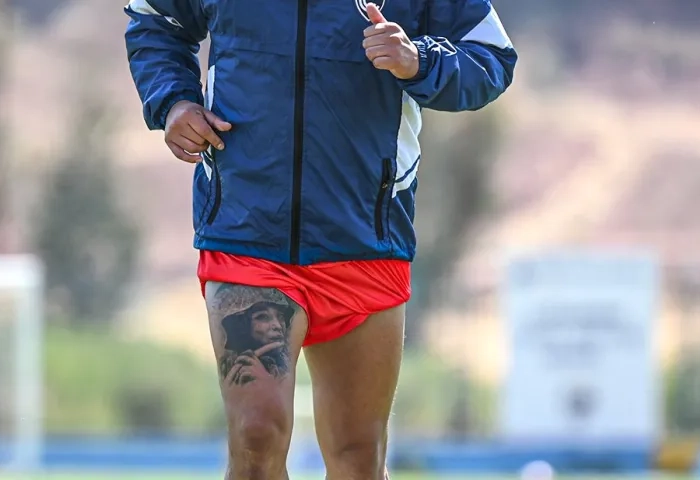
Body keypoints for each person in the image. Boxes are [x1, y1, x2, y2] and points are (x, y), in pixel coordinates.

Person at [124, 0, 516, 478]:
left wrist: (419, 61)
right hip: (248, 236)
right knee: (255, 435)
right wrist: (173, 101)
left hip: (365, 240)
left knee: (357, 457)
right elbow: (154, 21)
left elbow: (491, 57)